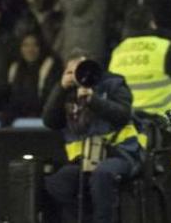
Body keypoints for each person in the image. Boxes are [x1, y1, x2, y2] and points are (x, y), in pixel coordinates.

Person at [43, 49, 145, 223]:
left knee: (102, 175)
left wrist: (94, 101)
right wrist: (60, 89)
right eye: (70, 72)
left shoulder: (113, 83)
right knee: (58, 183)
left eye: (80, 69)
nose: (77, 76)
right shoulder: (66, 93)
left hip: (119, 154)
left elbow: (122, 114)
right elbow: (50, 121)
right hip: (82, 160)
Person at [108, 6, 171, 118]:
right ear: (152, 24)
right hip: (162, 113)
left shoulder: (117, 51)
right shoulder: (164, 46)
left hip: (128, 114)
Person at [0, 32, 61, 126]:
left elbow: (51, 98)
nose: (30, 50)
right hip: (18, 119)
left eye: (35, 45)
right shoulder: (15, 67)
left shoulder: (52, 66)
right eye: (25, 45)